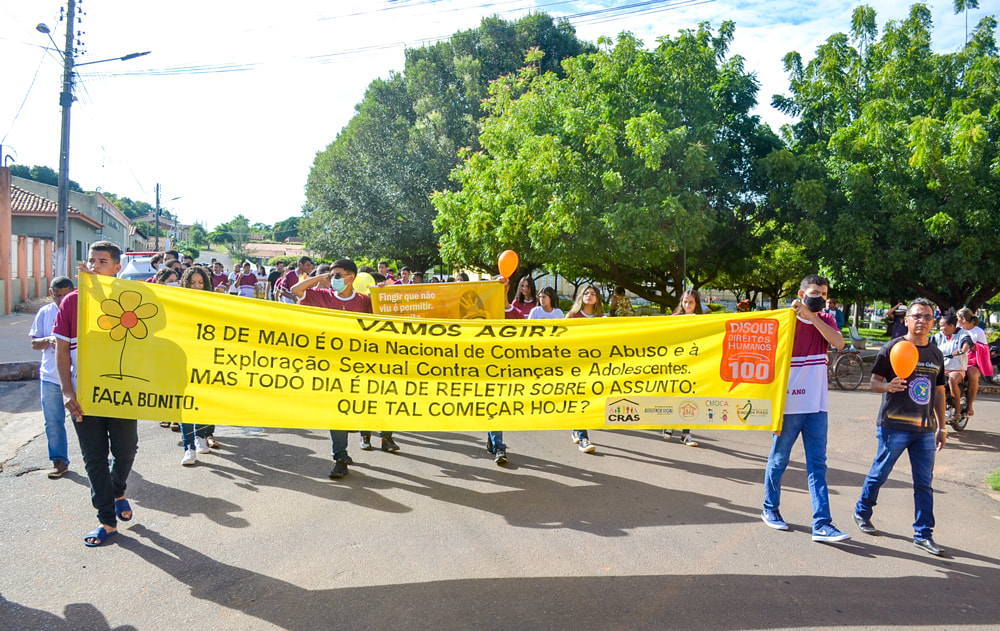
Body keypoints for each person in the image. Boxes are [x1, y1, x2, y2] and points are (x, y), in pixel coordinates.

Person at [54, 241, 138, 547]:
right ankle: (106, 520)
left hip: (122, 395)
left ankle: (117, 489)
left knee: (127, 450)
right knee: (94, 458)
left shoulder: (134, 300)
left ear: (117, 268)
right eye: (91, 260)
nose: (94, 265)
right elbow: (61, 350)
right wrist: (66, 390)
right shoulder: (72, 302)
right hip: (84, 396)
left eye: (102, 261)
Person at [853, 298, 948, 556]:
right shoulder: (892, 347)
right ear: (906, 320)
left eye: (928, 317)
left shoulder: (936, 353)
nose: (923, 321)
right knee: (880, 472)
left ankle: (923, 534)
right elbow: (874, 382)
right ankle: (862, 511)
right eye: (917, 316)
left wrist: (942, 426)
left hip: (925, 429)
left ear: (932, 322)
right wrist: (888, 386)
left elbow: (939, 392)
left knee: (924, 483)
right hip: (894, 425)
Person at [761, 274, 851, 543]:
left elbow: (839, 343)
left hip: (817, 406)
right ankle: (770, 508)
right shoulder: (784, 321)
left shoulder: (826, 320)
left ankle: (822, 523)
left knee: (817, 465)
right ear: (801, 294)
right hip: (788, 405)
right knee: (779, 459)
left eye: (824, 294)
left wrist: (813, 318)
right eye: (814, 292)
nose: (819, 297)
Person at [291, 258, 377, 478]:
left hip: (358, 366)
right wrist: (320, 278)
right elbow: (295, 290)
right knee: (337, 411)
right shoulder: (322, 296)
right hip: (331, 366)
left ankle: (353, 440)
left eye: (338, 275)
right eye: (332, 275)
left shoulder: (364, 302)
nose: (334, 279)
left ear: (352, 277)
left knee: (354, 410)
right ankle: (340, 456)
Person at [29, 276, 76, 479]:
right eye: (58, 296)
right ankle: (59, 461)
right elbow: (34, 343)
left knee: (86, 420)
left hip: (77, 377)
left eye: (66, 295)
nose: (61, 299)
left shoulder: (81, 311)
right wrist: (48, 340)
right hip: (50, 377)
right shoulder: (45, 313)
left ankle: (97, 458)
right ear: (51, 294)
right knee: (53, 421)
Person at [177, 266, 220, 464]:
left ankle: (201, 438)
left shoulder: (212, 304)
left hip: (205, 359)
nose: (196, 286)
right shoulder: (177, 302)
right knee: (184, 405)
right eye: (192, 282)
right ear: (185, 283)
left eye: (200, 283)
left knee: (203, 402)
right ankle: (188, 447)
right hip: (182, 359)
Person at [485, 275, 521, 465]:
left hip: (505, 369)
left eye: (502, 286)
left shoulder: (514, 313)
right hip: (484, 369)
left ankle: (495, 442)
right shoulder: (479, 313)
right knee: (492, 407)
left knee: (497, 408)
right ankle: (497, 444)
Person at [566, 285, 604, 453]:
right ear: (581, 296)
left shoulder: (602, 318)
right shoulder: (572, 316)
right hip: (576, 365)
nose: (589, 295)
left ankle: (576, 427)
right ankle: (583, 438)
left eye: (593, 293)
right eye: (586, 293)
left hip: (594, 365)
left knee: (587, 400)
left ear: (597, 298)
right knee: (580, 397)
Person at [665, 290, 704, 447]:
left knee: (689, 397)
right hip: (676, 362)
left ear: (696, 304)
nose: (687, 305)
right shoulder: (674, 319)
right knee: (673, 394)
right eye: (685, 302)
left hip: (693, 363)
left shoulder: (703, 320)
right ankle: (669, 424)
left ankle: (686, 434)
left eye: (691, 302)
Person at [932, 310, 972, 421]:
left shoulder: (962, 333)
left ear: (952, 326)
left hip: (957, 369)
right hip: (941, 368)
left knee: (952, 381)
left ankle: (958, 411)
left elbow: (967, 343)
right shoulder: (937, 336)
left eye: (943, 326)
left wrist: (962, 351)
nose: (941, 329)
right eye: (940, 326)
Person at [957, 307, 988, 418]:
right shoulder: (957, 329)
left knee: (973, 375)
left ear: (963, 319)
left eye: (958, 319)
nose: (957, 322)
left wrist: (972, 346)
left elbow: (984, 348)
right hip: (957, 357)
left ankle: (969, 406)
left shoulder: (978, 331)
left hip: (972, 360)